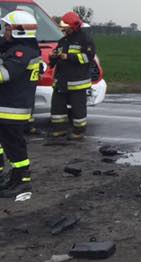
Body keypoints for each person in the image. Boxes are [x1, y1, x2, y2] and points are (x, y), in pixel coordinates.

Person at [0, 10, 42, 196]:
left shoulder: (21, 52)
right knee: (10, 144)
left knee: (14, 145)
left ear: (19, 30)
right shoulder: (23, 48)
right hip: (9, 106)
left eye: (8, 28)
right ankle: (15, 179)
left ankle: (22, 181)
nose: (5, 31)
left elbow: (4, 75)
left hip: (12, 108)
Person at [49, 11, 96, 139]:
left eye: (66, 27)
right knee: (57, 106)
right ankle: (59, 129)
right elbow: (56, 56)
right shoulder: (63, 40)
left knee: (78, 108)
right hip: (61, 80)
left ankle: (78, 131)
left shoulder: (85, 40)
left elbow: (88, 57)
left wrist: (69, 57)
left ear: (73, 26)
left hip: (77, 82)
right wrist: (53, 57)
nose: (64, 30)